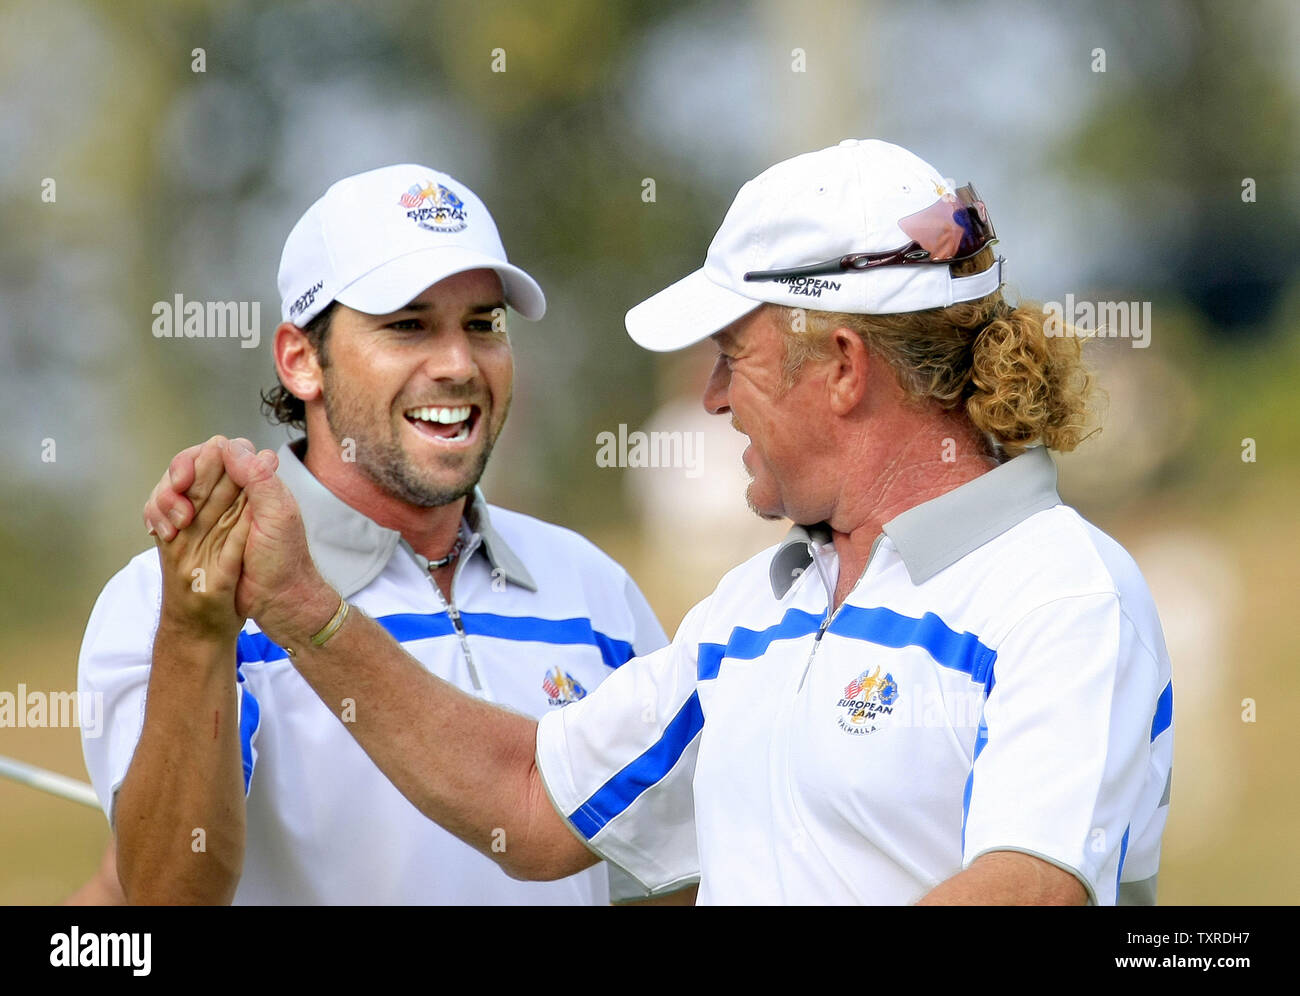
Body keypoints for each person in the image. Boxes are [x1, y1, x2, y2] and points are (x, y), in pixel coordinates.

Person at [145, 140, 1174, 904]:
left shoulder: (1062, 589)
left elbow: (1025, 891)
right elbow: (532, 803)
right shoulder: (752, 612)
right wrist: (301, 608)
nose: (715, 396)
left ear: (845, 368)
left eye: (736, 353)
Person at [79, 164, 678, 905]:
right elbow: (168, 898)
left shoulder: (595, 590)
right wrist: (198, 634)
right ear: (301, 360)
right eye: (408, 326)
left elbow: (667, 876)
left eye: (483, 325)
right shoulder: (167, 602)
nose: (459, 364)